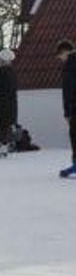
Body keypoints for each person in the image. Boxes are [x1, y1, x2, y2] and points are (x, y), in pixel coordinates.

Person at [0, 48, 18, 158]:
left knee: (1, 124)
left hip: (2, 103)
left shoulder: (0, 72)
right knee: (6, 124)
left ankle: (2, 146)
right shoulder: (12, 73)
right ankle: (3, 145)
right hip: (10, 103)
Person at [58, 40, 76, 178]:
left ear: (65, 51)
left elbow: (69, 91)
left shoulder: (70, 65)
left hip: (74, 107)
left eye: (60, 55)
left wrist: (68, 111)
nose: (60, 58)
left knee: (74, 135)